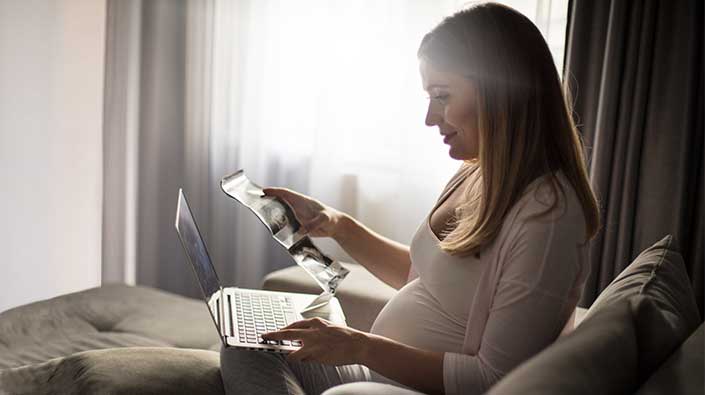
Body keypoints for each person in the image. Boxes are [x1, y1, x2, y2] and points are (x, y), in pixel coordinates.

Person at [220, 3, 600, 395]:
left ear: (500, 91)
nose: (430, 118)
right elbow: (423, 275)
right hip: (382, 376)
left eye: (442, 96)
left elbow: (495, 379)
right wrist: (336, 224)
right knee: (249, 345)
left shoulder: (548, 218)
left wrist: (359, 345)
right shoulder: (478, 171)